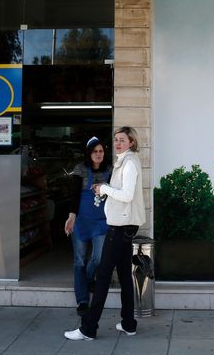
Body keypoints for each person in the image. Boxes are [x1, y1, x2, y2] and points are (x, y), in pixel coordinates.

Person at [64, 126, 146, 341]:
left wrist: (104, 189)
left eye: (122, 140)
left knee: (102, 276)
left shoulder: (128, 163)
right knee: (125, 277)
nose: (118, 143)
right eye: (116, 139)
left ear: (132, 143)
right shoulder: (125, 162)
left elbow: (127, 195)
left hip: (120, 228)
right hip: (123, 227)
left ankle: (88, 328)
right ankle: (129, 324)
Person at [64, 136, 111, 317]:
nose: (98, 154)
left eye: (100, 151)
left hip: (101, 222)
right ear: (89, 153)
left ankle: (89, 277)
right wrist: (71, 217)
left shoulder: (110, 170)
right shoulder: (80, 169)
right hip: (81, 221)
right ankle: (82, 300)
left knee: (98, 258)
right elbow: (74, 195)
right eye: (94, 151)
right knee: (79, 261)